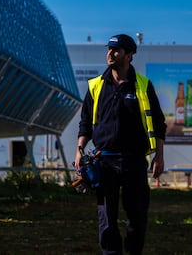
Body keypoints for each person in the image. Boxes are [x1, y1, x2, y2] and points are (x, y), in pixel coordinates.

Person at [74, 34, 167, 254]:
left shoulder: (143, 86)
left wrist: (159, 156)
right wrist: (79, 150)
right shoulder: (96, 86)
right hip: (103, 161)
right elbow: (85, 122)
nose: (110, 54)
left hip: (134, 161)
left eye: (116, 50)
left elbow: (158, 122)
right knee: (106, 220)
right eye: (109, 49)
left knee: (136, 218)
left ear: (129, 55)